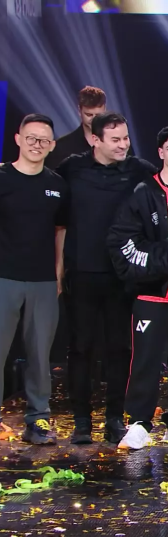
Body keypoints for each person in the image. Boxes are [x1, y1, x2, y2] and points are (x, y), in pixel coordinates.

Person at [57, 113, 168, 445]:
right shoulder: (74, 168)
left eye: (126, 138)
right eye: (116, 139)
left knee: (125, 350)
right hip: (91, 273)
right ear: (95, 140)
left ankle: (121, 419)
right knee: (82, 348)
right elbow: (56, 207)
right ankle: (86, 421)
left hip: (136, 282)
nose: (123, 144)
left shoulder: (145, 173)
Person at [108, 125, 168, 450]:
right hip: (152, 291)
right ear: (160, 153)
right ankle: (139, 422)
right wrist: (166, 259)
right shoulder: (142, 192)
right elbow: (122, 241)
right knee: (146, 360)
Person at [0, 114, 68, 444]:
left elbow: (60, 230)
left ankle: (38, 419)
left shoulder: (57, 184)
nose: (37, 144)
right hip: (4, 278)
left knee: (40, 355)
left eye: (44, 140)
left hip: (43, 281)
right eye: (31, 138)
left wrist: (58, 271)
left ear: (52, 145)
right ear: (18, 139)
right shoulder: (2, 177)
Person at [46, 86, 133, 169]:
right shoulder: (62, 147)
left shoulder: (121, 144)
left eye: (98, 114)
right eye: (89, 115)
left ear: (105, 109)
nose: (94, 119)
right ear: (79, 111)